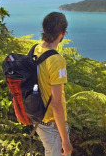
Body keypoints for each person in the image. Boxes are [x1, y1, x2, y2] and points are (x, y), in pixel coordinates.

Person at [34, 12, 73, 156]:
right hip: (52, 124)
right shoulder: (56, 60)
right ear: (62, 33)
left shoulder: (35, 49)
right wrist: (65, 140)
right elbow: (56, 104)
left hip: (38, 118)